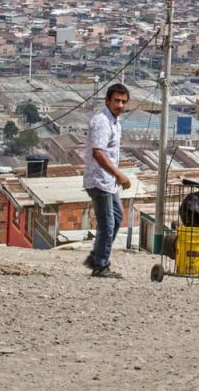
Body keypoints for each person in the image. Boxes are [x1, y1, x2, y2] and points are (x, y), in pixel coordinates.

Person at [82, 83, 132, 278]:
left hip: (108, 181)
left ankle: (96, 256)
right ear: (107, 101)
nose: (120, 105)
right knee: (107, 223)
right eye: (117, 101)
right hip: (99, 179)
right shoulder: (102, 121)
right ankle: (101, 265)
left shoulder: (114, 122)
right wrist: (119, 174)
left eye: (123, 102)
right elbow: (98, 153)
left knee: (117, 217)